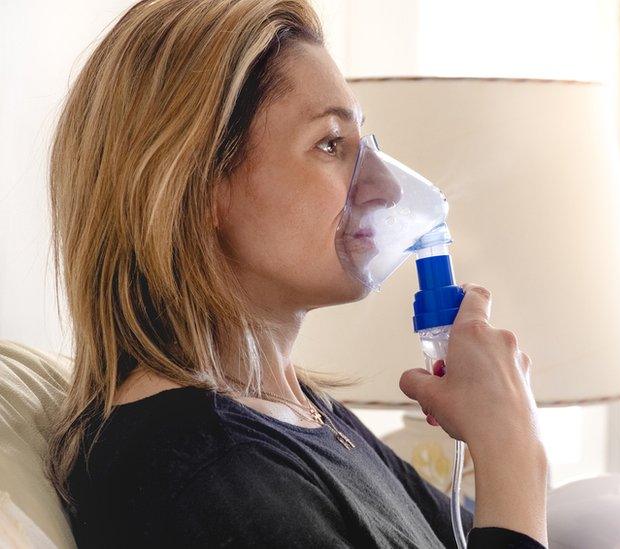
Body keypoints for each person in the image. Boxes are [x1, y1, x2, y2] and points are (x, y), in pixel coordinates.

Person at [44, 0, 549, 547]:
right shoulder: (199, 474)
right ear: (197, 187)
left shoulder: (303, 413)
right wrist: (512, 451)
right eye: (330, 144)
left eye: (364, 145)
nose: (387, 188)